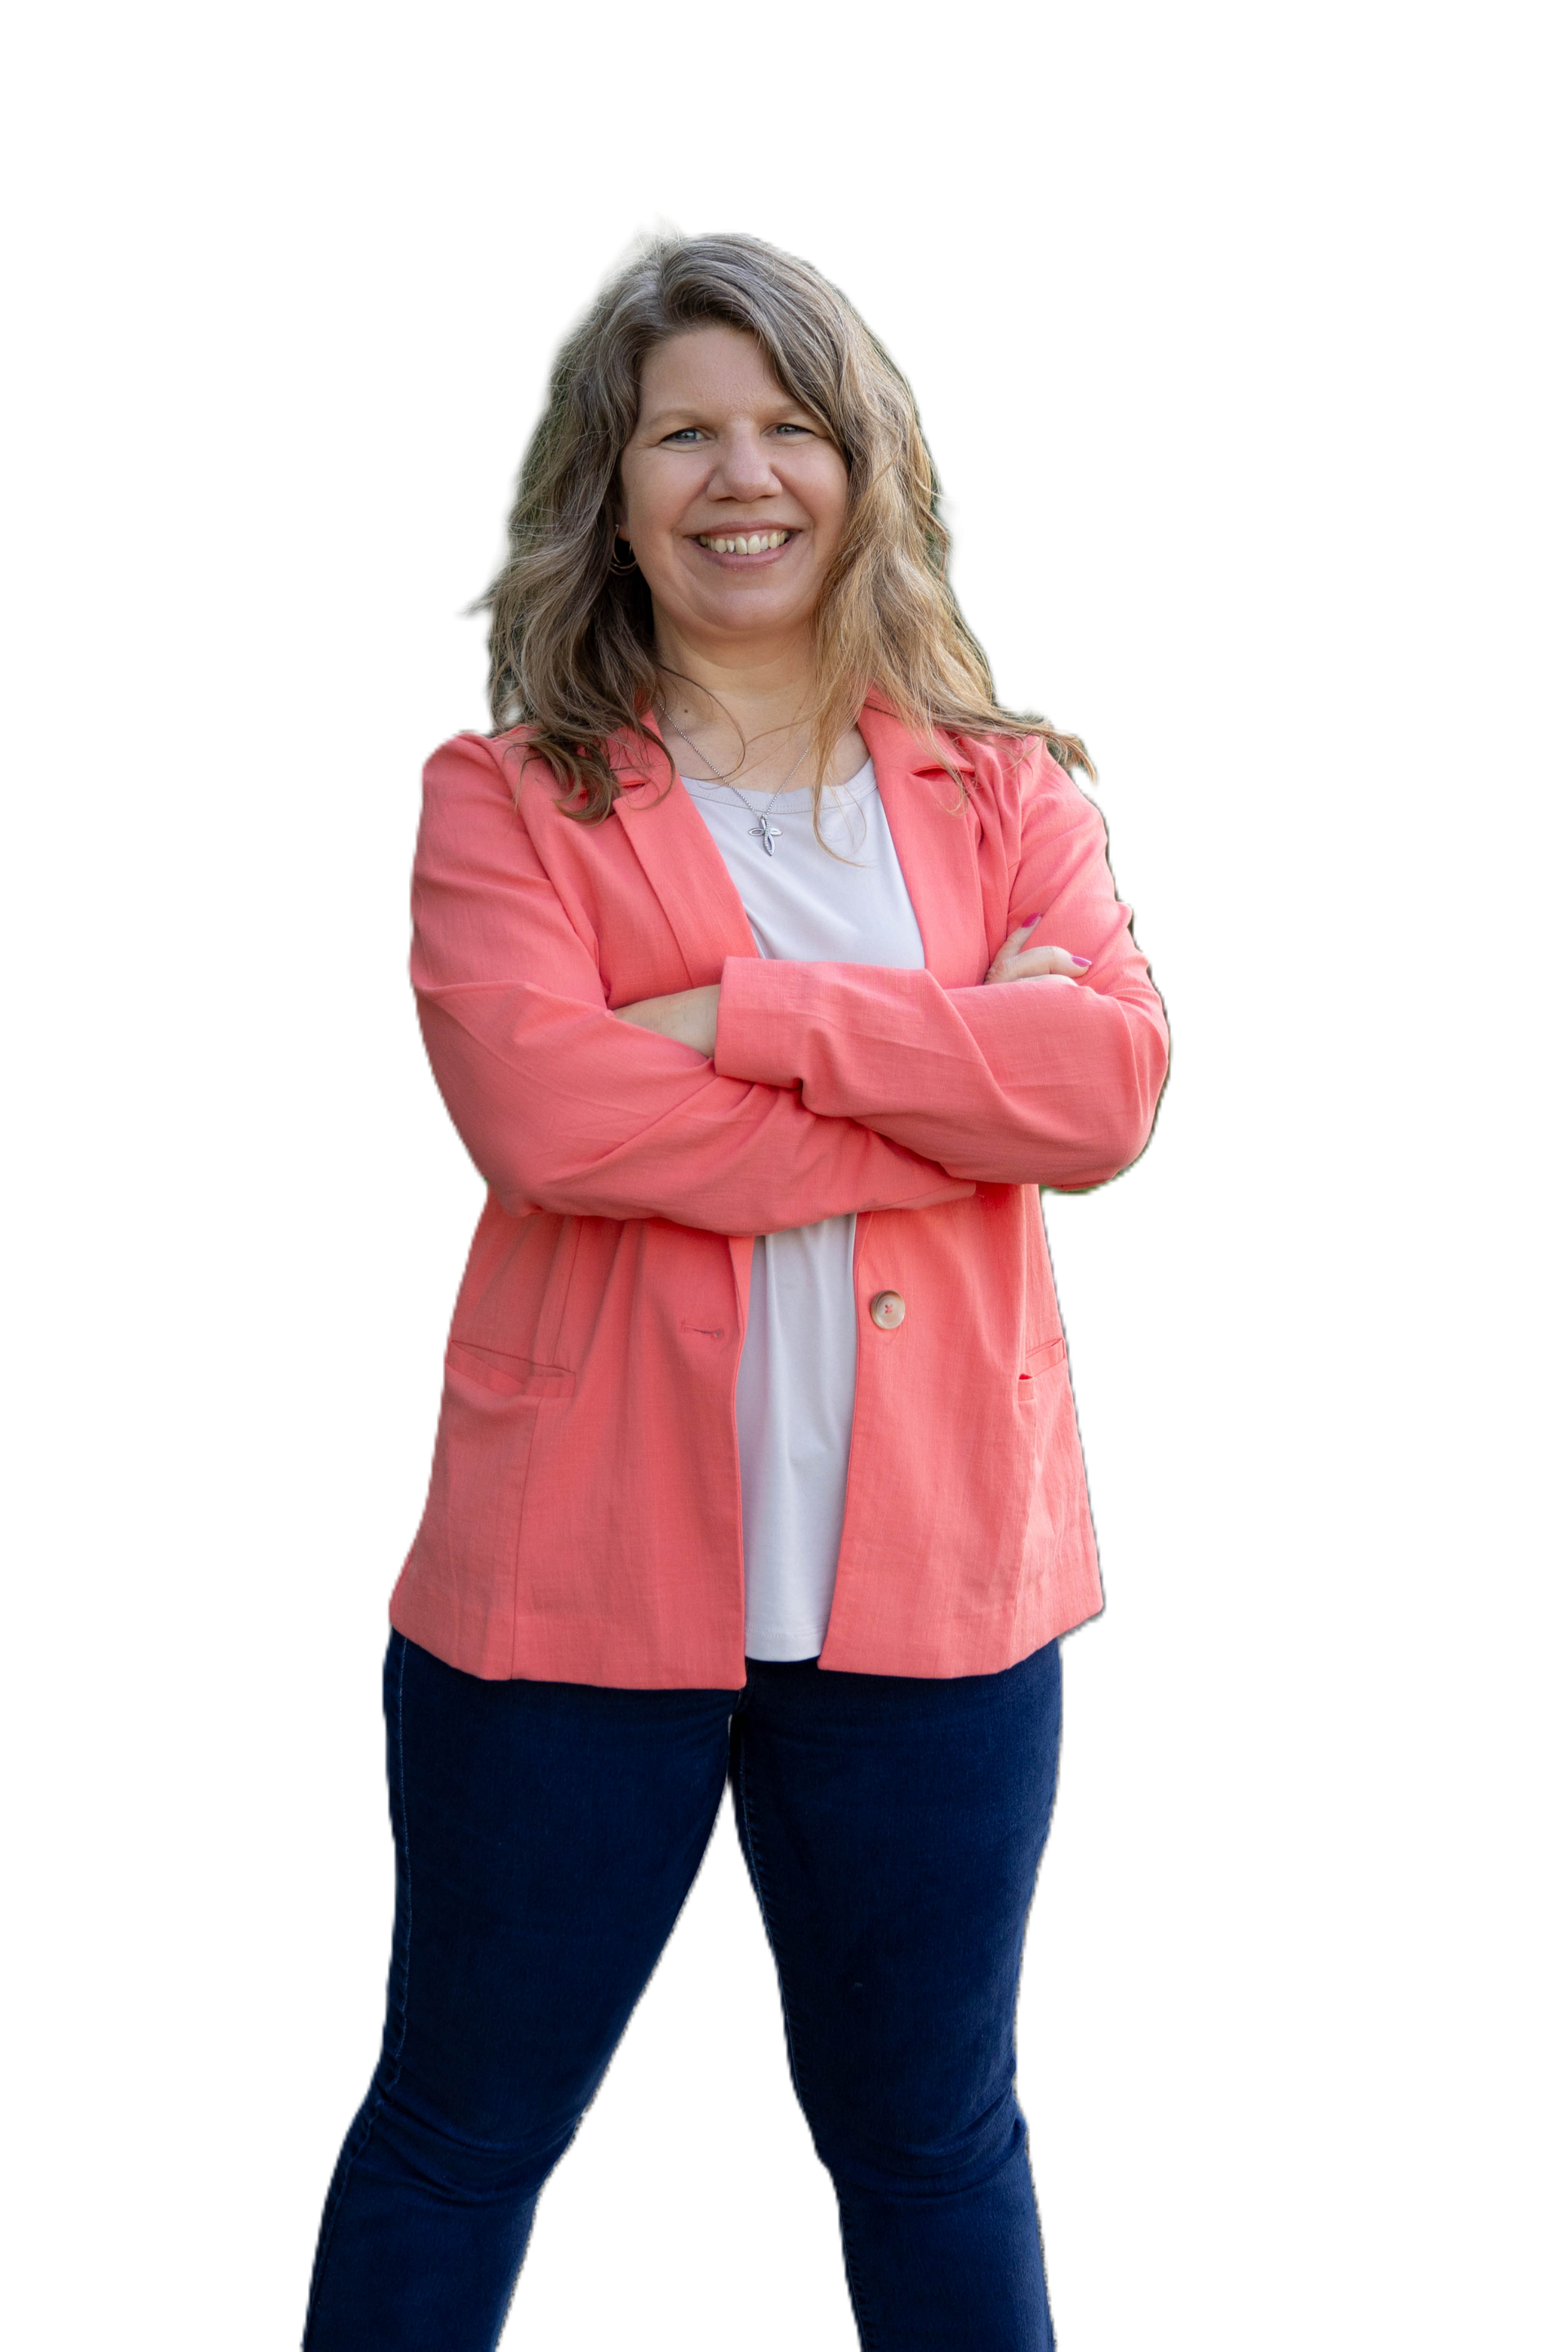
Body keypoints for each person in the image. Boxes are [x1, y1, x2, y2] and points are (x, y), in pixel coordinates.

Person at [298, 216, 1170, 2351]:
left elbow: (1106, 1096)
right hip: (567, 1595)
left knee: (938, 2139)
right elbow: (546, 1122)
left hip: (945, 1600)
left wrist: (738, 1013)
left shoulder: (1006, 796)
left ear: (867, 472)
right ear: (609, 487)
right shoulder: (504, 800)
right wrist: (942, 1080)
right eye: (683, 432)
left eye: (789, 422)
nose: (740, 473)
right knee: (459, 2124)